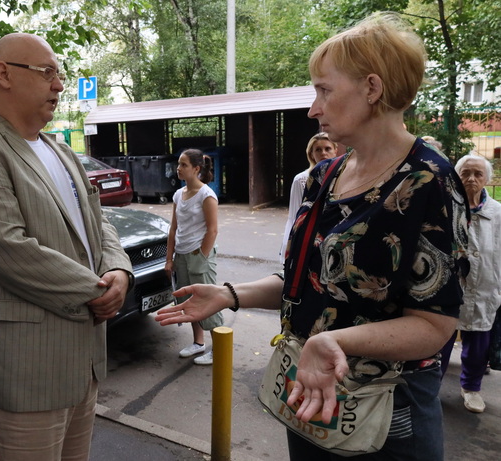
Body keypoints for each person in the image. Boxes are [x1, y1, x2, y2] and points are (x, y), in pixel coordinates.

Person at [155, 13, 469, 461]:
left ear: (372, 88)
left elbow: (434, 327)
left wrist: (335, 341)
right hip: (305, 392)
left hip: (383, 413)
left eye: (324, 90)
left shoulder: (430, 181)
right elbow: (305, 283)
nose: (312, 109)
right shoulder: (325, 176)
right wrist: (229, 294)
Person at [0, 33, 134, 461]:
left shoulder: (61, 152)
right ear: (4, 74)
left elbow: (99, 223)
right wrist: (99, 291)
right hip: (23, 376)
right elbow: (9, 249)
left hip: (83, 367)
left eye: (59, 74)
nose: (59, 85)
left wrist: (119, 270)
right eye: (47, 72)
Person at [439, 153, 501, 413]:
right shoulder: (444, 207)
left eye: (478, 174)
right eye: (465, 173)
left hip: (486, 286)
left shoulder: (498, 212)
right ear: (456, 176)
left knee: (478, 345)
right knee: (439, 341)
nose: (472, 179)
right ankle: (431, 388)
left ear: (487, 178)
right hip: (447, 288)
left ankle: (471, 388)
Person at [166, 149, 221, 365]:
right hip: (181, 255)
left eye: (184, 164)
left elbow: (212, 230)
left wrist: (202, 255)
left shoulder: (206, 195)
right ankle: (199, 343)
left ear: (196, 169)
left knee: (207, 301)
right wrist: (169, 259)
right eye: (178, 164)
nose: (178, 168)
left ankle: (219, 349)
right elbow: (173, 229)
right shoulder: (178, 195)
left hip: (199, 255)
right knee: (188, 301)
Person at [279, 132, 337, 264]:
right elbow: (294, 217)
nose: (323, 153)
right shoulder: (302, 180)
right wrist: (288, 247)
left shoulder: (342, 177)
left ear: (335, 151)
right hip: (309, 237)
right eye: (318, 150)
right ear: (311, 154)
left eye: (327, 148)